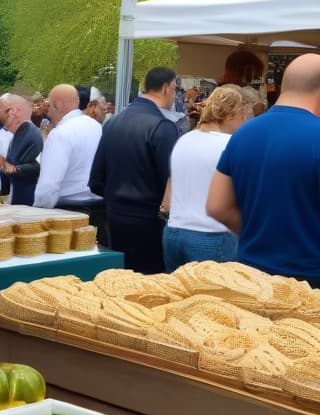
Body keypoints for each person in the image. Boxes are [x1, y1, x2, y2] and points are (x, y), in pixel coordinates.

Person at [207, 53, 320, 286]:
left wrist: (257, 231)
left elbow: (216, 206)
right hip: (310, 279)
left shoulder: (242, 134)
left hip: (253, 273)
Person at [89, 67, 180, 274]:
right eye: (175, 90)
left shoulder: (113, 122)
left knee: (121, 282)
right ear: (166, 88)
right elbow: (170, 183)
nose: (175, 96)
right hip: (150, 223)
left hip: (115, 218)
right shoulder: (163, 127)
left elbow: (96, 179)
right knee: (149, 290)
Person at [161, 87, 247, 272]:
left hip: (174, 231)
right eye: (242, 115)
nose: (244, 121)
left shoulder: (185, 139)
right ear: (231, 114)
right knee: (215, 299)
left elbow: (172, 183)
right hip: (212, 234)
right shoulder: (230, 144)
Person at [33, 85, 103, 225]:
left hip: (67, 213)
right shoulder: (96, 127)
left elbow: (48, 188)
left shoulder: (60, 134)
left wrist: (36, 217)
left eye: (48, 105)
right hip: (98, 210)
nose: (48, 111)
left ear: (57, 105)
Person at [0, 93, 42, 205]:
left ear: (12, 111)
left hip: (26, 200)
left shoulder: (28, 131)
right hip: (19, 197)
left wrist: (4, 165)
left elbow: (36, 166)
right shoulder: (20, 133)